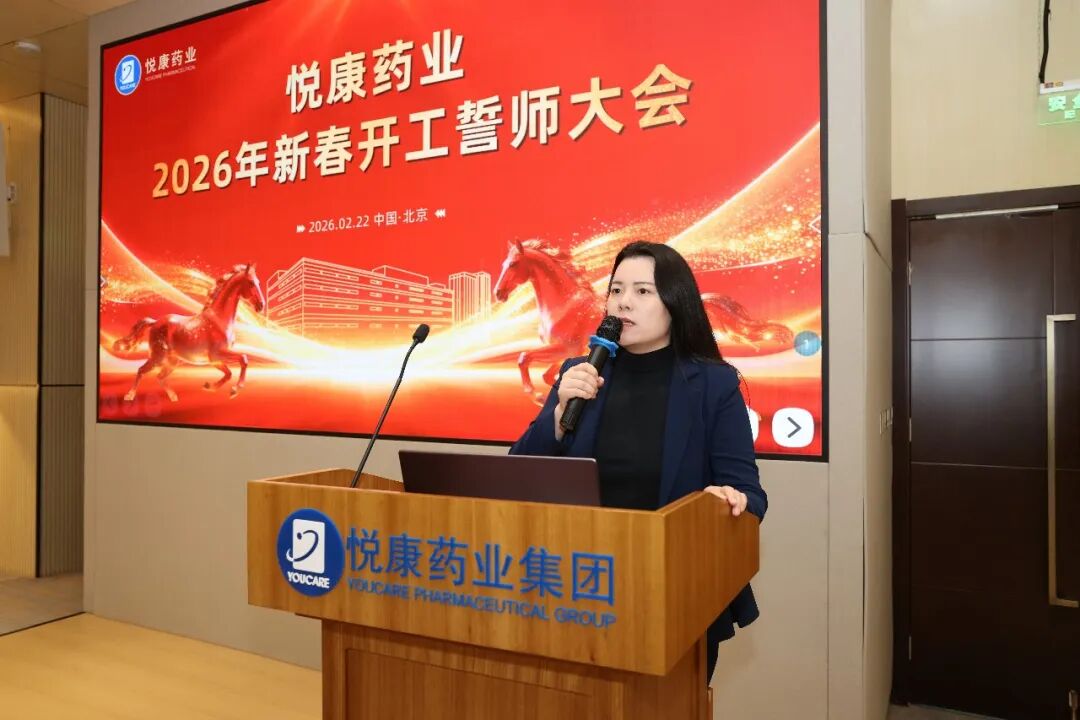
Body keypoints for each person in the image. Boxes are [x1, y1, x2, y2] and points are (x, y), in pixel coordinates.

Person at [509, 240, 766, 686]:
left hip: (675, 596)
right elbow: (517, 475)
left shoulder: (713, 384)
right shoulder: (579, 373)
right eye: (616, 290)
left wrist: (725, 502)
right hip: (579, 592)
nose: (623, 302)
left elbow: (750, 495)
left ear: (675, 303)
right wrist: (557, 416)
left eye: (642, 291)